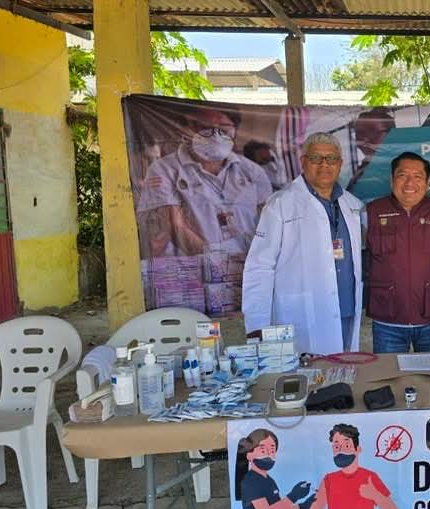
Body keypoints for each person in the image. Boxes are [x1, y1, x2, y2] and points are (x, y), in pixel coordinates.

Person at [242, 132, 364, 354]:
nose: (324, 165)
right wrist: (256, 324)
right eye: (316, 158)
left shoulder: (353, 204)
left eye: (331, 158)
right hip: (302, 314)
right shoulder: (280, 204)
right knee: (307, 372)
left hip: (346, 310)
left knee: (344, 370)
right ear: (303, 161)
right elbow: (259, 267)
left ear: (340, 164)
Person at [137, 105, 273, 257]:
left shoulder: (251, 171)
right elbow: (174, 225)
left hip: (248, 264)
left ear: (234, 131)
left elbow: (268, 220)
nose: (215, 135)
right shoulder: (165, 169)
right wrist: (215, 259)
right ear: (185, 130)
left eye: (223, 128)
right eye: (204, 127)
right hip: (194, 265)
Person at [366, 152, 430, 353]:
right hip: (387, 322)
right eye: (402, 175)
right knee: (389, 372)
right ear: (391, 180)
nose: (409, 183)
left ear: (427, 182)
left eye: (417, 176)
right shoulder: (370, 213)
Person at [297, 424, 400, 509]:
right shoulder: (329, 480)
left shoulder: (370, 477)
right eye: (336, 446)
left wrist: (375, 495)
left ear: (358, 449)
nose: (341, 450)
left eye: (346, 445)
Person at [234, 429, 316, 509]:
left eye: (272, 450)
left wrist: (304, 505)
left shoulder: (269, 480)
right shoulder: (251, 481)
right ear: (249, 455)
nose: (269, 454)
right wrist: (293, 496)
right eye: (263, 450)